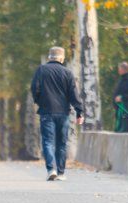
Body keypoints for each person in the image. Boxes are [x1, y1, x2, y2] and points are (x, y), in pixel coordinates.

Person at [30, 47, 84, 181]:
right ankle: (60, 172)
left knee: (48, 141)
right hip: (63, 113)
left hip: (46, 111)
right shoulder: (67, 73)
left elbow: (34, 88)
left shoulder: (41, 70)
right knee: (62, 143)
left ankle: (51, 169)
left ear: (49, 57)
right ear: (62, 58)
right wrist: (79, 112)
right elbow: (74, 94)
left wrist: (39, 100)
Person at [113, 62, 128, 133]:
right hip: (120, 109)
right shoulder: (122, 79)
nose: (118, 70)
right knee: (118, 128)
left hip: (127, 109)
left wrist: (122, 98)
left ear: (123, 69)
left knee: (125, 129)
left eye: (119, 69)